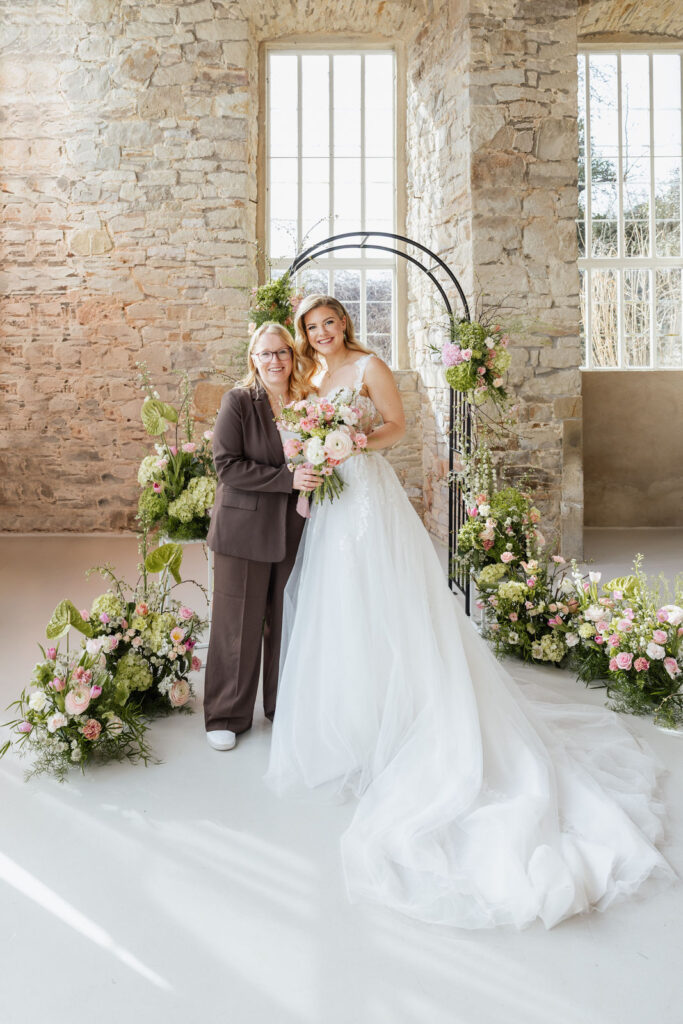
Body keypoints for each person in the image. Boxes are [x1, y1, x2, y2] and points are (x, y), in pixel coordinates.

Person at [266, 294, 674, 930]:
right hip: (335, 507)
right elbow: (299, 435)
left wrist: (354, 441)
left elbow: (399, 428)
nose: (321, 334)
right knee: (342, 610)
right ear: (304, 334)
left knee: (391, 603)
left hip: (370, 495)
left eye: (329, 323)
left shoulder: (369, 366)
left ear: (344, 323)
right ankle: (361, 718)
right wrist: (315, 455)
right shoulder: (311, 377)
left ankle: (415, 713)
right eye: (311, 327)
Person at [204, 322, 320, 751]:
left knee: (287, 619)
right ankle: (227, 716)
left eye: (282, 352)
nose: (275, 361)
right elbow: (227, 465)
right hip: (244, 529)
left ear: (293, 356)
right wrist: (287, 479)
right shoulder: (239, 402)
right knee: (238, 622)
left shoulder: (309, 402)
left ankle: (282, 707)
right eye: (266, 353)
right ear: (253, 359)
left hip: (295, 525)